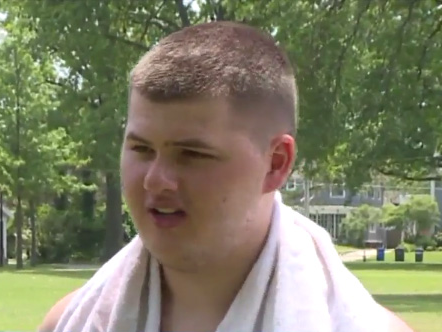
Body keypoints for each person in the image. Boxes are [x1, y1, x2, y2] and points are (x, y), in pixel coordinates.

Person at [39, 21, 413, 332]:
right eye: (141, 149)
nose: (155, 180)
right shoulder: (72, 322)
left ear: (276, 164)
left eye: (192, 154)